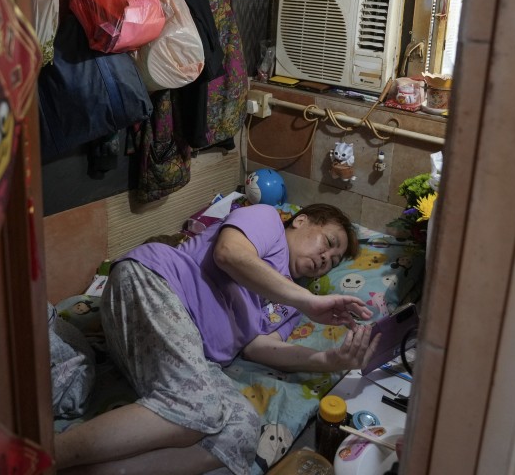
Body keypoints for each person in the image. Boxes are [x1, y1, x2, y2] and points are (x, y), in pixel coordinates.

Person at [55, 202, 380, 475]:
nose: (326, 259)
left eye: (334, 262)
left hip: (192, 350)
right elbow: (229, 254)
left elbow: (258, 347)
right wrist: (306, 301)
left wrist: (330, 361)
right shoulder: (267, 222)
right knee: (198, 407)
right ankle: (47, 454)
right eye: (328, 243)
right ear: (301, 220)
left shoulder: (293, 304)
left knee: (241, 432)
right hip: (157, 285)